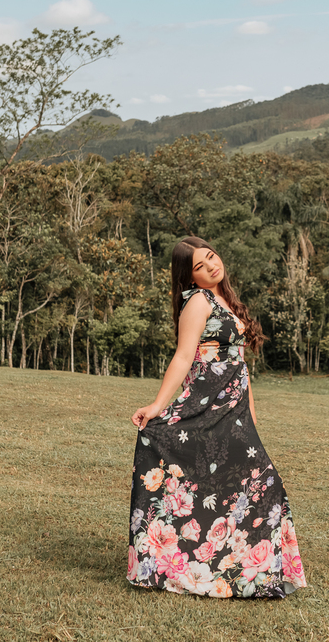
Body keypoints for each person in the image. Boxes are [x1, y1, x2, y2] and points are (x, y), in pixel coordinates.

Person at [127, 236, 307, 598]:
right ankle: (180, 564)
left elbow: (240, 363)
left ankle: (246, 572)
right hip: (206, 405)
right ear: (190, 277)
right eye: (199, 266)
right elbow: (183, 357)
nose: (210, 265)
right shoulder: (197, 301)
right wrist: (158, 406)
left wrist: (251, 415)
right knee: (249, 482)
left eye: (210, 257)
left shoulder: (225, 299)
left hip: (234, 408)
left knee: (254, 483)